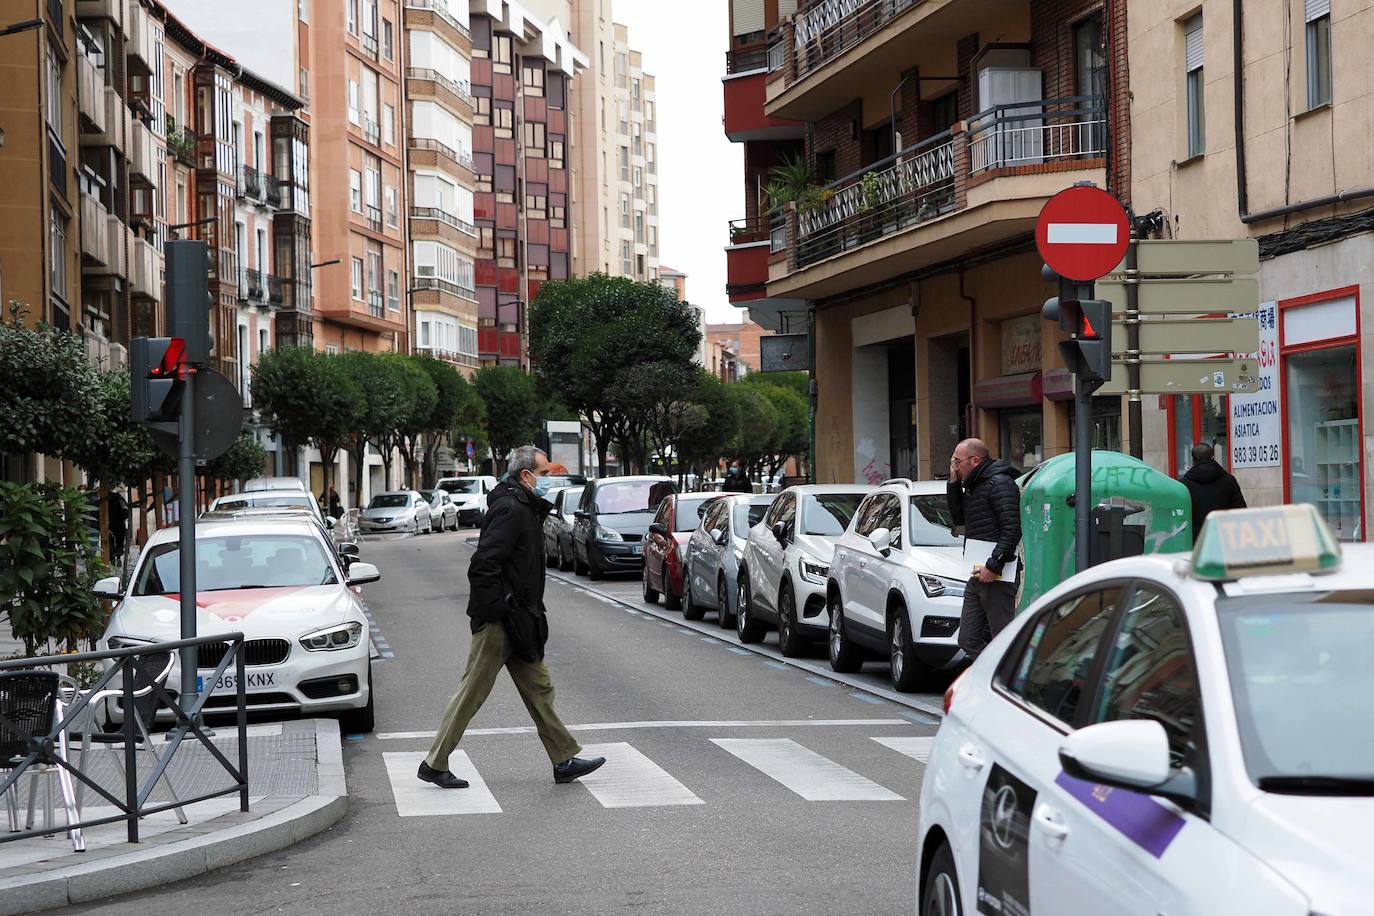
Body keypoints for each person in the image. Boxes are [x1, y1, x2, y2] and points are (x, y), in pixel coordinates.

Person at [418, 445, 605, 790]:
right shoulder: (511, 509)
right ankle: (435, 763)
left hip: (521, 620)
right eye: (545, 473)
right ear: (526, 476)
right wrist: (499, 611)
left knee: (540, 689)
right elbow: (483, 564)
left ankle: (563, 758)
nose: (550, 480)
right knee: (472, 691)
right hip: (502, 622)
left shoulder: (524, 507)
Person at [947, 438, 1022, 662]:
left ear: (975, 460)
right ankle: (993, 675)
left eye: (957, 462)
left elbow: (1012, 529)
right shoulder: (974, 484)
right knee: (967, 638)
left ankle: (1006, 683)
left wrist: (994, 565)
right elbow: (959, 518)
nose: (954, 466)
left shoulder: (1000, 483)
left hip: (997, 574)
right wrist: (953, 483)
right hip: (977, 570)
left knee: (1003, 638)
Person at [1179, 442, 1246, 541]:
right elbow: (1240, 511)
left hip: (1196, 541)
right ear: (1213, 457)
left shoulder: (1184, 485)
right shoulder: (1229, 480)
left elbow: (1181, 516)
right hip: (1224, 537)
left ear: (1193, 461)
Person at [107, 489, 129, 560]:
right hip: (120, 523)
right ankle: (118, 558)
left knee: (110, 541)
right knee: (119, 541)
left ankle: (112, 558)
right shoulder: (119, 497)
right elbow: (126, 509)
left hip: (109, 523)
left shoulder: (105, 500)